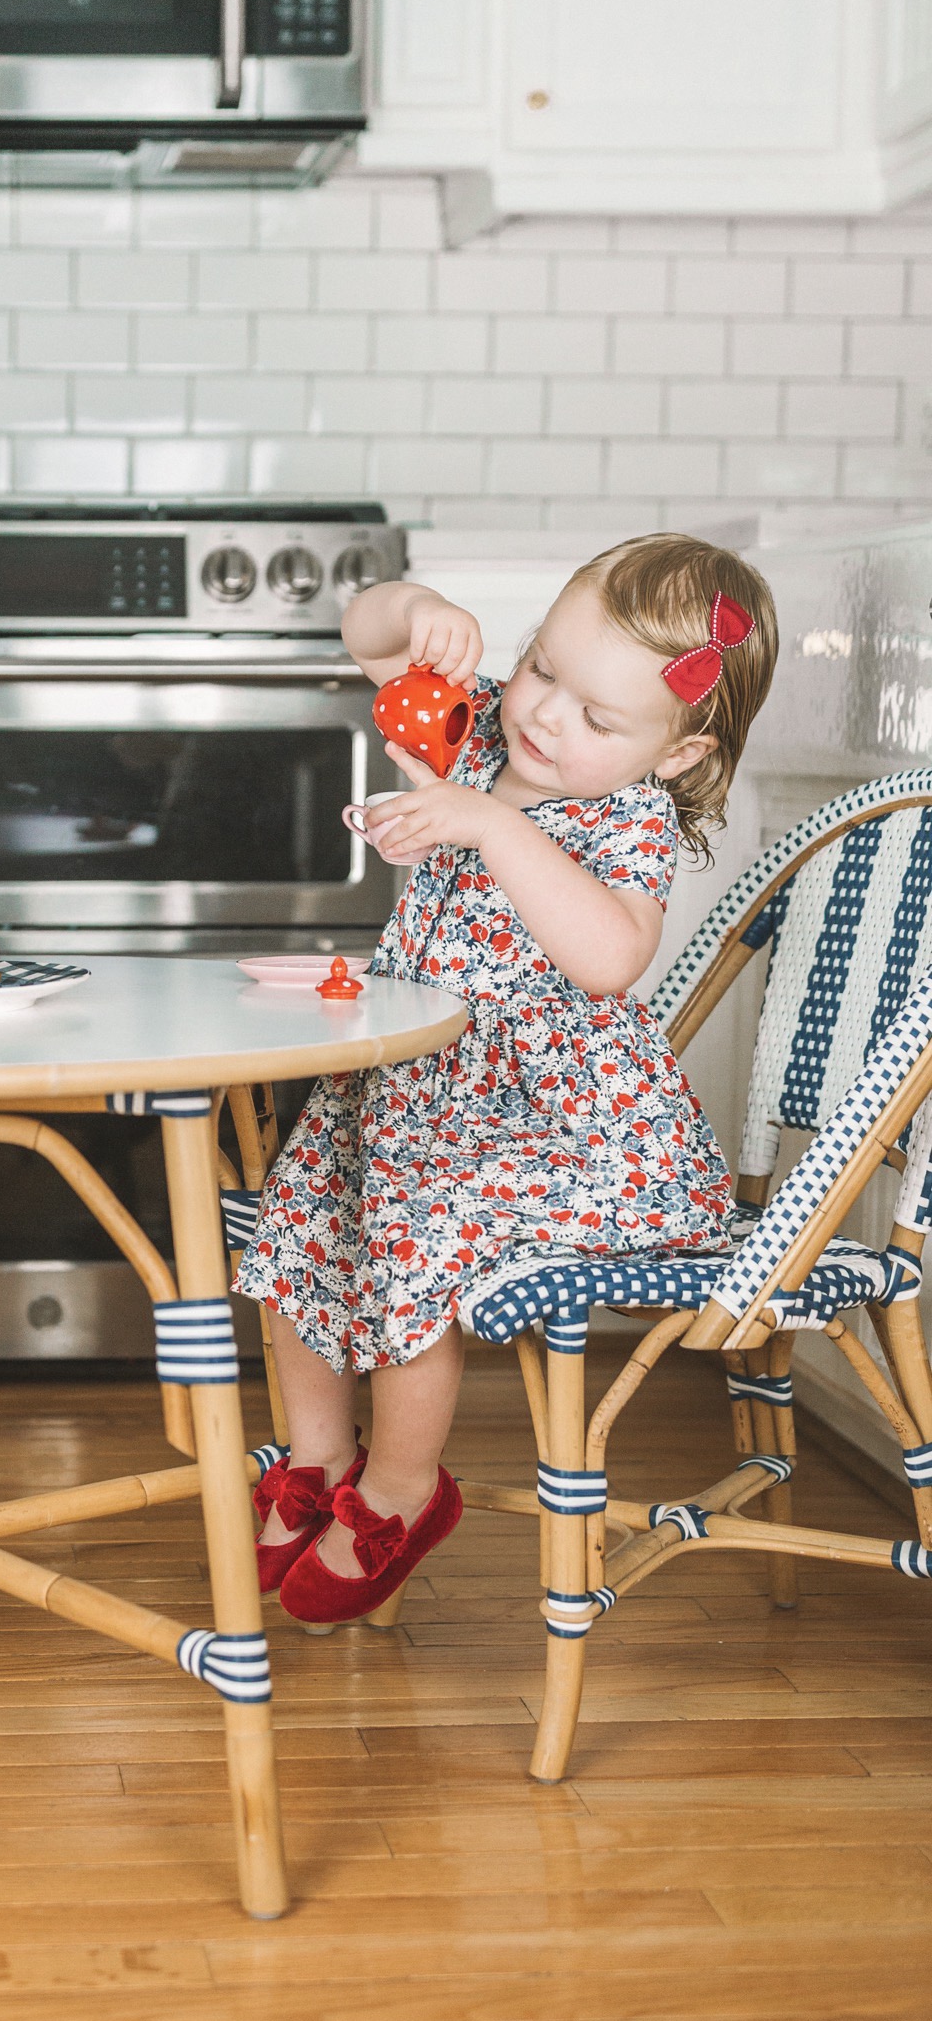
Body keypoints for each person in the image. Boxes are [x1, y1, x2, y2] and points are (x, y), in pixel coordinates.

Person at [235, 532, 777, 1626]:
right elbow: (364, 638)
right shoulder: (472, 723)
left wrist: (489, 820)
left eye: (596, 716)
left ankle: (401, 1491)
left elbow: (611, 956)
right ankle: (317, 1455)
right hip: (418, 1099)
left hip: (573, 1136)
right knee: (296, 1220)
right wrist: (415, 610)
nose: (543, 715)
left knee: (411, 1237)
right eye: (542, 668)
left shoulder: (627, 819)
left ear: (673, 756)